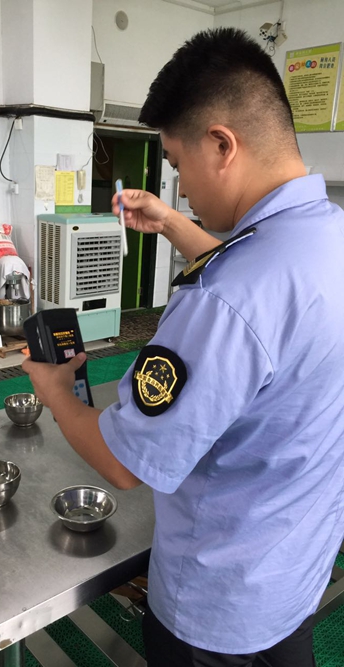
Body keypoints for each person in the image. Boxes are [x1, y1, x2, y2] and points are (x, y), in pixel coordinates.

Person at [22, 27, 344, 667]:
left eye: (175, 165)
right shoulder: (327, 236)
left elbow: (124, 465)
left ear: (222, 145)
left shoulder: (222, 301)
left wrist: (57, 393)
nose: (181, 190)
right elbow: (261, 287)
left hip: (216, 612)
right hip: (293, 580)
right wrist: (172, 225)